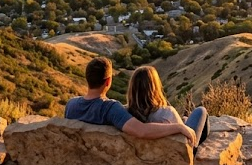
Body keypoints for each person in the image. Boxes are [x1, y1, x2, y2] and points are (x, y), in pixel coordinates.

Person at [64, 57, 196, 145]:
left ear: (87, 78)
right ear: (108, 81)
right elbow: (142, 131)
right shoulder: (110, 108)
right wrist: (179, 127)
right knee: (200, 113)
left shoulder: (71, 105)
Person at [126, 65, 209, 149]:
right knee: (201, 111)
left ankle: (185, 120)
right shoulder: (167, 112)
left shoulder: (127, 114)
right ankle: (197, 148)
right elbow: (185, 134)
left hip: (150, 151)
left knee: (186, 118)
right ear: (155, 87)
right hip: (183, 151)